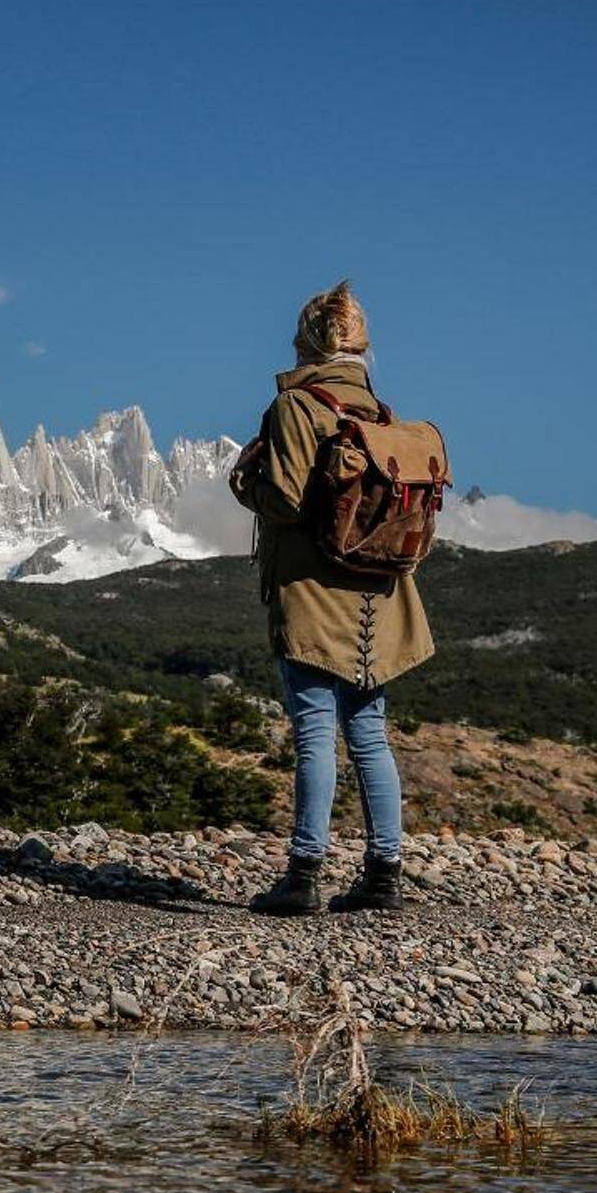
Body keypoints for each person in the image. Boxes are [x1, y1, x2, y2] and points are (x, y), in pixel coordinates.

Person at [231, 281, 434, 915]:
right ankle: (384, 873)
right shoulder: (380, 415)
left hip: (314, 592)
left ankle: (304, 872)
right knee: (369, 732)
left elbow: (287, 500)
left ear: (307, 343)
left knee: (315, 729)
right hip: (379, 595)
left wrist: (246, 483)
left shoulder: (299, 406)